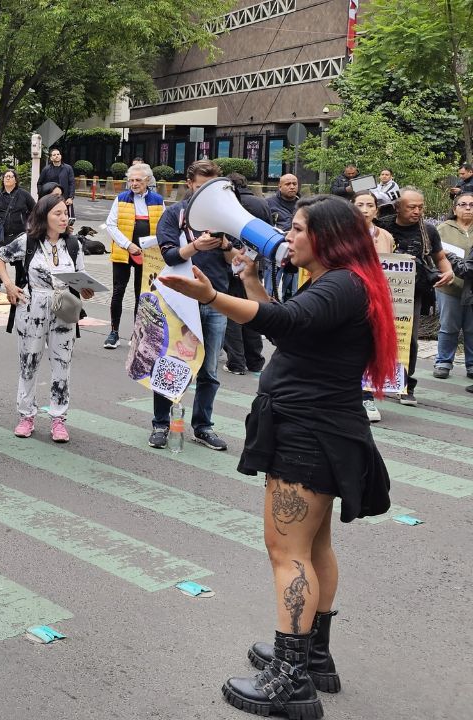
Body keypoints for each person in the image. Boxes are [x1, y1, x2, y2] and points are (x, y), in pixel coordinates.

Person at [159, 195, 396, 720]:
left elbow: (283, 322)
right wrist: (248, 281)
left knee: (286, 552)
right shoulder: (343, 281)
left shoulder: (340, 285)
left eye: (298, 229)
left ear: (328, 237)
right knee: (313, 547)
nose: (288, 236)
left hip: (308, 434)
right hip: (321, 428)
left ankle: (290, 679)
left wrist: (213, 294)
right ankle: (312, 655)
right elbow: (287, 323)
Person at [0, 194, 92, 442]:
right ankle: (26, 416)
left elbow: (80, 276)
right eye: (57, 213)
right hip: (32, 305)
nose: (63, 217)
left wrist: (85, 290)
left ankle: (59, 419)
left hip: (64, 307)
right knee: (29, 362)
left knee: (62, 363)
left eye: (65, 213)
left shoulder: (73, 245)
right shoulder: (28, 241)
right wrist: (9, 285)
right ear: (44, 215)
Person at [147, 160, 231, 452]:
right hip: (180, 302)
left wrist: (226, 247)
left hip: (216, 299)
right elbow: (170, 256)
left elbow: (240, 261)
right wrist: (196, 246)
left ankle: (203, 426)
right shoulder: (173, 214)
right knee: (172, 364)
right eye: (201, 184)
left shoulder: (224, 217)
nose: (206, 190)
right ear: (189, 183)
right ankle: (160, 424)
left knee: (209, 370)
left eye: (212, 184)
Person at [379, 188, 455, 405]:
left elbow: (440, 258)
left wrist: (448, 271)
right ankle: (371, 383)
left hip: (410, 294)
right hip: (379, 292)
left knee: (407, 340)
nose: (417, 211)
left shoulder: (428, 231)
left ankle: (404, 384)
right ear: (397, 207)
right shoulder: (382, 226)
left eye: (420, 207)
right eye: (411, 207)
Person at [102, 163, 163, 349]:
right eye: (131, 180)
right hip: (123, 252)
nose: (134, 183)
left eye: (138, 180)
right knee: (118, 292)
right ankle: (114, 332)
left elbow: (163, 227)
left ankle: (137, 334)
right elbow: (111, 225)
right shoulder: (121, 198)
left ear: (147, 181)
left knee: (141, 295)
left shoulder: (158, 200)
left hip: (147, 254)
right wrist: (128, 245)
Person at [352, 190, 396, 423]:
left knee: (369, 346)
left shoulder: (386, 236)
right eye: (360, 204)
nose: (365, 209)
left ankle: (366, 395)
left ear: (377, 210)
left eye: (370, 205)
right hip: (349, 296)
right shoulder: (342, 235)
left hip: (376, 299)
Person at [223, 173, 267, 375]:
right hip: (256, 265)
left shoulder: (230, 204)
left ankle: (236, 362)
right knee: (253, 311)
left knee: (233, 314)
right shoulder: (262, 203)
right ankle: (255, 360)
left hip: (235, 263)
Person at [434, 192, 473, 380]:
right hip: (450, 286)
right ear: (454, 208)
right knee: (448, 327)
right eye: (463, 204)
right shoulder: (442, 229)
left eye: (471, 205)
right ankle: (443, 362)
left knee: (471, 328)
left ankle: (472, 364)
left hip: (472, 289)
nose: (467, 208)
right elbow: (433, 255)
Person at [0, 170, 35, 291]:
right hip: (2, 234)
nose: (8, 178)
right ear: (3, 180)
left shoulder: (23, 194)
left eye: (11, 176)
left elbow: (34, 210)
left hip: (19, 234)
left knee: (19, 261)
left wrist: (25, 222)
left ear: (15, 180)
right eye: (6, 176)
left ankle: (20, 286)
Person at [265, 173, 302, 302]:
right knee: (269, 291)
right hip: (275, 251)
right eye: (288, 184)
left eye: (294, 184)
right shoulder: (268, 204)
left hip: (296, 252)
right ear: (279, 186)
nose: (292, 187)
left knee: (292, 292)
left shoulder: (303, 205)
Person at [37, 148, 75, 220]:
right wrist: (42, 196)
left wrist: (71, 197)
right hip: (50, 199)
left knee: (65, 219)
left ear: (61, 156)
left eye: (58, 154)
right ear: (51, 158)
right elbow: (40, 183)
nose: (56, 156)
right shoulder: (46, 169)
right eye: (54, 155)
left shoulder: (68, 168)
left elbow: (72, 183)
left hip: (64, 198)